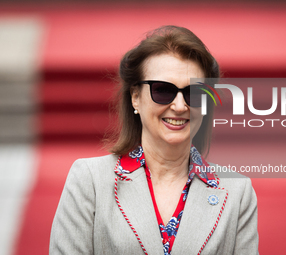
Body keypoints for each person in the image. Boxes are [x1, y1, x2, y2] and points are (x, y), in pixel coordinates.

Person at [49, 25, 259, 255]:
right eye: (162, 90)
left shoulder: (237, 192)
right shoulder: (89, 181)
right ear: (136, 97)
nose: (180, 106)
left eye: (194, 93)